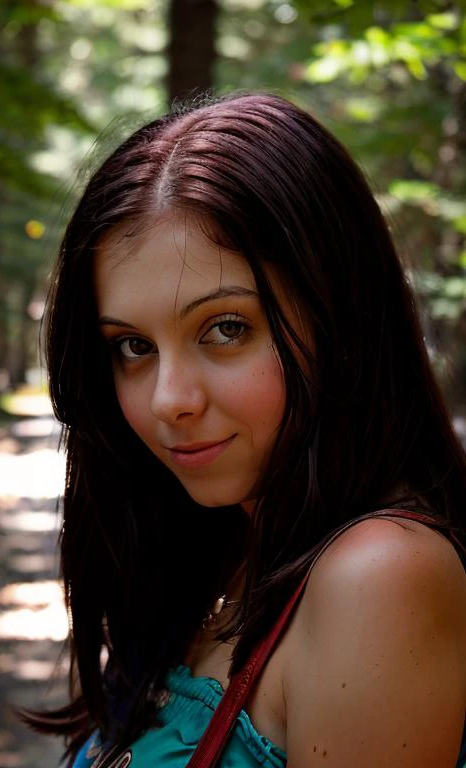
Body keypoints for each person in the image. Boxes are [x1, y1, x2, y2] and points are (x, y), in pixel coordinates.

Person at [30, 92, 466, 767]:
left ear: (337, 316)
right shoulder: (222, 543)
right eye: (132, 347)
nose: (168, 400)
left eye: (226, 328)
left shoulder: (378, 574)